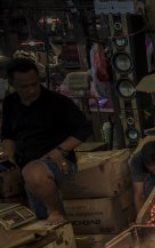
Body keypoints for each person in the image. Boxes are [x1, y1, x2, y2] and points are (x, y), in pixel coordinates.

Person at [1, 57, 92, 224]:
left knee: (33, 172)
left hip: (58, 162)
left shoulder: (57, 102)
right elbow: (8, 135)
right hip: (23, 162)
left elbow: (85, 128)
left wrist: (61, 149)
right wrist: (7, 156)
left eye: (34, 84)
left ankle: (57, 214)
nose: (31, 90)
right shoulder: (10, 103)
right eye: (24, 87)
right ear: (12, 84)